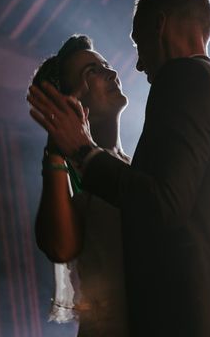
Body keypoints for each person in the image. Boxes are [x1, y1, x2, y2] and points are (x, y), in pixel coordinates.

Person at [28, 0, 210, 336]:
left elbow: (163, 205)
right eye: (92, 71)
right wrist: (64, 149)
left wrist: (84, 151)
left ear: (158, 26)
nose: (137, 66)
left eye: (138, 43)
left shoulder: (181, 81)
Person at [29, 35, 130, 336]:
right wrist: (58, 145)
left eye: (106, 66)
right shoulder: (70, 171)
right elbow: (61, 247)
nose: (111, 74)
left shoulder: (134, 162)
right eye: (92, 73)